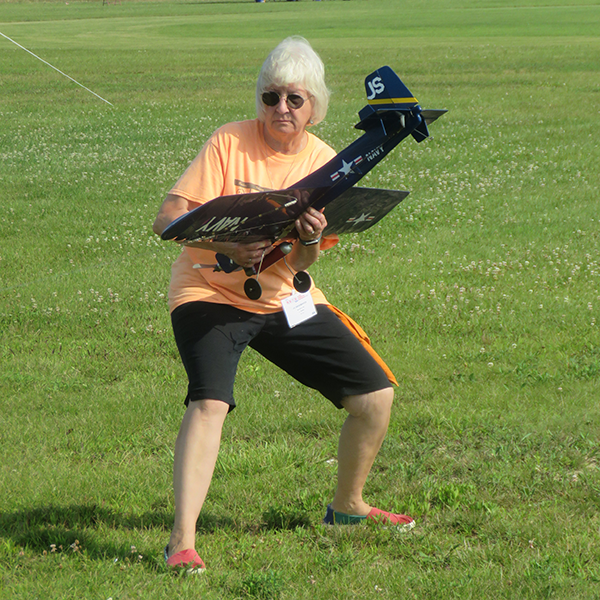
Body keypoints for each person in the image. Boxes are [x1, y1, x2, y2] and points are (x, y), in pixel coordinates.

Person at [152, 36, 414, 572]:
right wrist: (227, 245)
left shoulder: (326, 161)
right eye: (271, 97)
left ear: (314, 104)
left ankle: (347, 508)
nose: (281, 110)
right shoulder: (229, 142)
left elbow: (304, 262)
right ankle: (181, 541)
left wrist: (312, 236)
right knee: (210, 402)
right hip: (210, 292)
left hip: (283, 295)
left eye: (295, 99)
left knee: (376, 396)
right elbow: (167, 219)